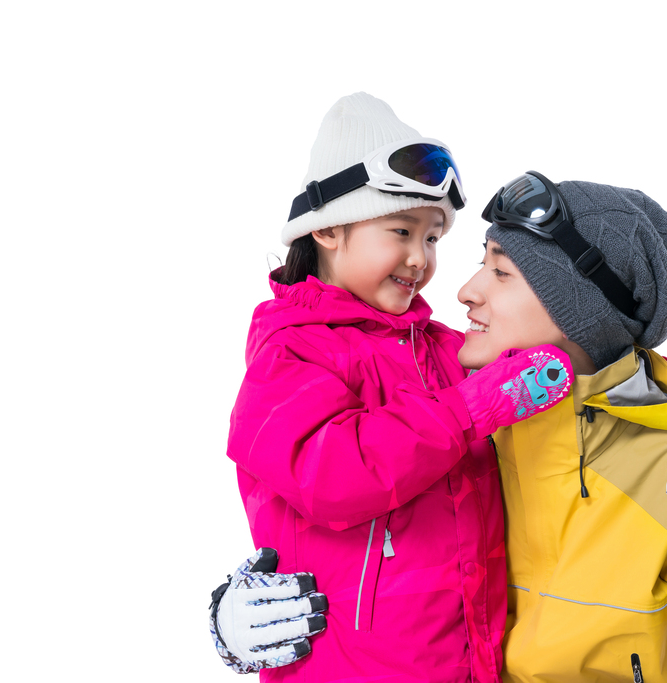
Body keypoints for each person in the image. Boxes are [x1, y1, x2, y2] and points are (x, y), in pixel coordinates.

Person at [213, 169, 667, 681]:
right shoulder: (470, 421)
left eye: (502, 272)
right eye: (481, 261)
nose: (462, 290)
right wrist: (243, 618)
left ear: (578, 314)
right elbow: (345, 493)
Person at [211, 95, 575, 682]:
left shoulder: (440, 350)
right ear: (328, 228)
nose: (419, 259)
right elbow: (332, 475)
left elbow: (570, 364)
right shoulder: (291, 353)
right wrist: (471, 408)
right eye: (401, 231)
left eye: (433, 238)